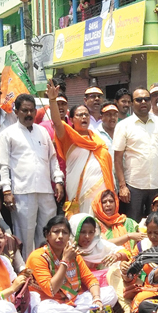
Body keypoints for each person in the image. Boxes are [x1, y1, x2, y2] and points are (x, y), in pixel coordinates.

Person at [0, 93, 64, 255]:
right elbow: (3, 165)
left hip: (45, 191)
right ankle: (28, 271)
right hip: (22, 192)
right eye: (24, 110)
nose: (28, 114)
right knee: (25, 233)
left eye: (31, 110)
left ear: (36, 112)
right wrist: (6, 191)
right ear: (16, 112)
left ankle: (48, 265)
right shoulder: (7, 134)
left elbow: (52, 158)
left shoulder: (42, 131)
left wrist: (58, 181)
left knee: (49, 230)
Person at [27, 215, 118, 313]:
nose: (60, 236)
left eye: (64, 232)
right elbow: (51, 290)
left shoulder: (74, 254)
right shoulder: (38, 256)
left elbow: (90, 279)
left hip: (74, 300)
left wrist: (97, 299)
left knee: (110, 293)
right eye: (56, 232)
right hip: (49, 302)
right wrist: (65, 261)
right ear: (47, 235)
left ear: (69, 236)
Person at [46, 80, 115, 216]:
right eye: (79, 115)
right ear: (71, 119)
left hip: (101, 189)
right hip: (78, 191)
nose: (84, 117)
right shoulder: (69, 138)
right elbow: (57, 122)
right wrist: (53, 100)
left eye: (86, 114)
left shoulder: (97, 139)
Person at [112, 210, 158, 313]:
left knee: (142, 300)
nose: (152, 237)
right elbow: (131, 276)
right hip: (146, 287)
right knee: (113, 273)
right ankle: (131, 310)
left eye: (157, 233)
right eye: (149, 233)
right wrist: (126, 271)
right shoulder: (143, 246)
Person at [114, 87, 158, 221]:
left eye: (146, 99)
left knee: (157, 223)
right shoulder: (123, 125)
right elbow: (117, 159)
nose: (143, 102)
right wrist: (122, 186)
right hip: (133, 186)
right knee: (133, 223)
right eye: (138, 99)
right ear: (131, 103)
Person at [70, 213, 130, 287]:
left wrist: (117, 256)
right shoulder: (67, 248)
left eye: (91, 232)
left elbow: (124, 252)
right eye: (83, 232)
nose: (87, 236)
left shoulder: (99, 244)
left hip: (101, 285)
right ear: (74, 231)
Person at [92, 189, 145, 253]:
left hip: (129, 259)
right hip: (107, 260)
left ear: (116, 203)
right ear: (98, 205)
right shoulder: (95, 224)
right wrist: (128, 236)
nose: (108, 204)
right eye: (104, 202)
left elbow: (142, 236)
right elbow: (104, 244)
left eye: (111, 201)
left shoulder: (127, 221)